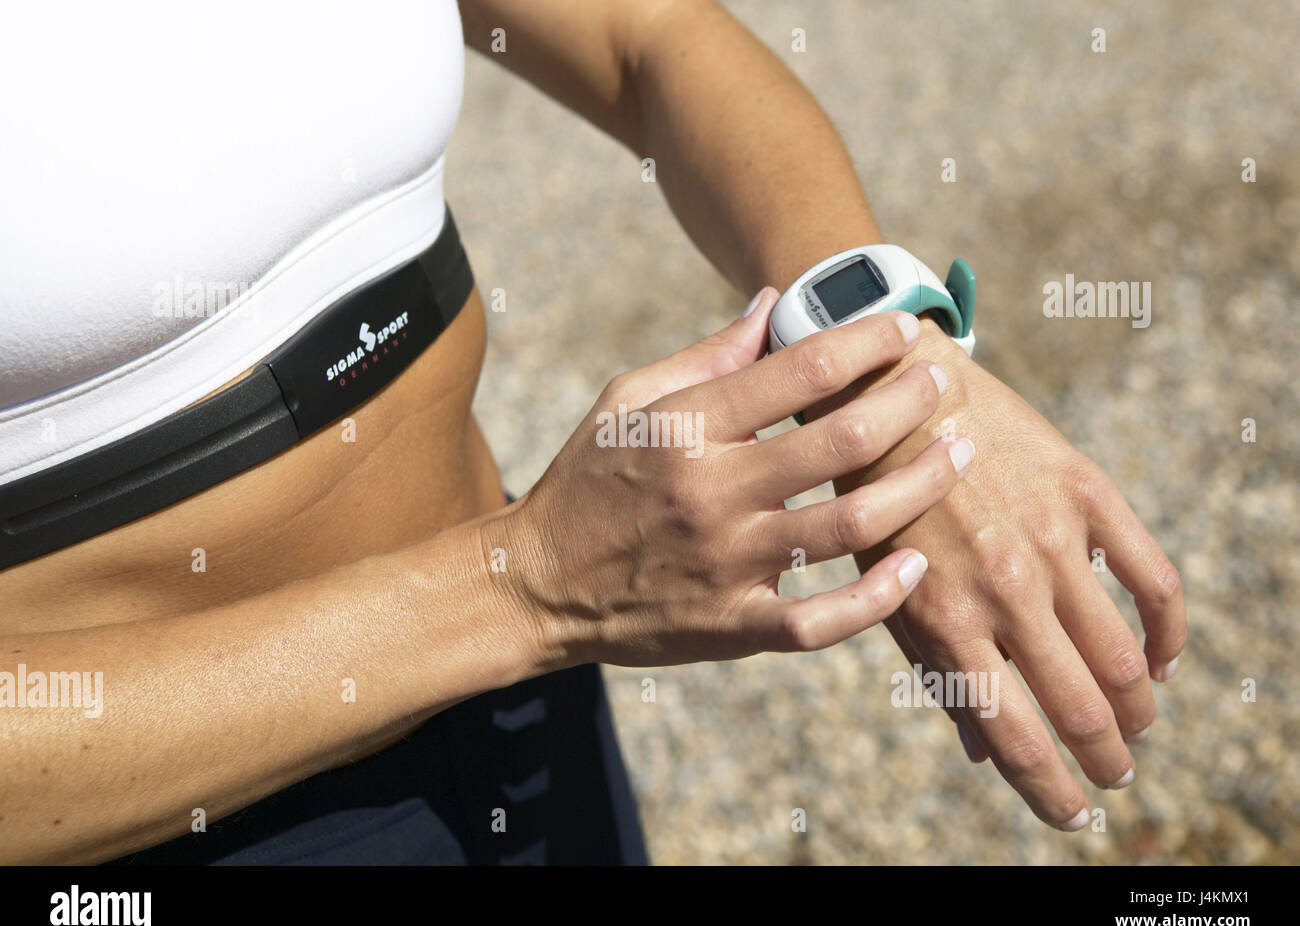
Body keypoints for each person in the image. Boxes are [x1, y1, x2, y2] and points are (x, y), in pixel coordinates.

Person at [0, 0, 1185, 864]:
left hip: (524, 708)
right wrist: (526, 586)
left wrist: (886, 360)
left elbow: (648, 36)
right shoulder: (544, 589)